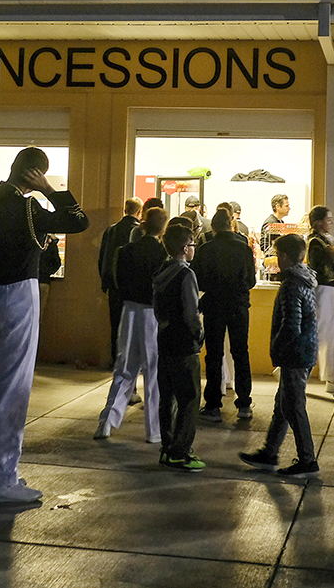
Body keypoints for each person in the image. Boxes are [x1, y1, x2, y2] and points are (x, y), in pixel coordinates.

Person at [0, 147, 87, 505]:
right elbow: (78, 221)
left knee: (0, 387)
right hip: (19, 291)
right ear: (34, 174)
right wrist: (50, 191)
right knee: (14, 390)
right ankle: (1, 478)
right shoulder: (27, 207)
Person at [240, 234, 320, 478]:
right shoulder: (305, 279)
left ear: (284, 256)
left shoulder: (291, 285)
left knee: (293, 406)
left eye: (277, 254)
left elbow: (291, 325)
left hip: (295, 354)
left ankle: (307, 459)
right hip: (305, 349)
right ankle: (270, 452)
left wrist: (277, 348)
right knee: (283, 404)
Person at [96, 207, 167, 442]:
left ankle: (107, 422)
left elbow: (118, 281)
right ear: (163, 228)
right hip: (152, 313)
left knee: (124, 367)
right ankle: (154, 430)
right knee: (153, 372)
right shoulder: (163, 254)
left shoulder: (125, 251)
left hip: (128, 310)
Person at [193, 208, 257, 423]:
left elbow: (198, 280)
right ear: (231, 224)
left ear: (213, 227)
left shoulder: (206, 249)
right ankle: (244, 403)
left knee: (214, 354)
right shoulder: (243, 248)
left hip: (214, 306)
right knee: (241, 353)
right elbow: (251, 281)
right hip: (239, 306)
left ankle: (213, 405)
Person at [153, 225, 205, 471]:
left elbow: (158, 310)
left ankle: (167, 447)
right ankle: (180, 452)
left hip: (165, 340)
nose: (194, 249)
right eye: (192, 244)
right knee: (189, 399)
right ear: (185, 248)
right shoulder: (186, 274)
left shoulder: (161, 271)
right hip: (184, 343)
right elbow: (191, 313)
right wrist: (199, 335)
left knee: (168, 398)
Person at [305, 205, 334, 394]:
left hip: (327, 290)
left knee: (327, 334)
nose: (330, 222)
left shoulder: (321, 241)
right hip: (323, 290)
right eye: (327, 219)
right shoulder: (316, 242)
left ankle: (331, 376)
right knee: (322, 334)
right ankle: (328, 377)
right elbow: (323, 269)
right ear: (317, 222)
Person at [97, 198, 142, 367]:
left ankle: (116, 360)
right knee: (132, 325)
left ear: (125, 210)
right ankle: (131, 361)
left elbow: (102, 258)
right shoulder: (138, 231)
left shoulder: (111, 230)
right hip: (132, 287)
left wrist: (105, 281)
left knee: (116, 324)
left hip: (114, 285)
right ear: (139, 212)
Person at [260, 194, 291, 278]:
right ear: (277, 206)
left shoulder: (280, 222)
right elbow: (264, 245)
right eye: (286, 206)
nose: (289, 208)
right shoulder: (270, 223)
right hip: (273, 266)